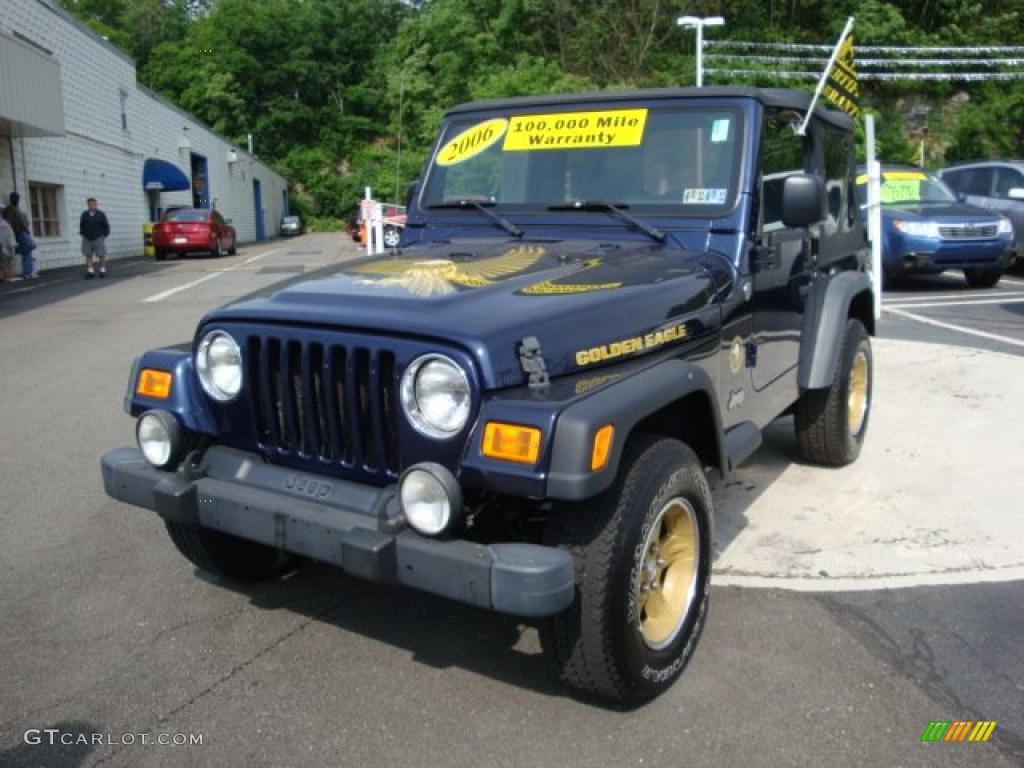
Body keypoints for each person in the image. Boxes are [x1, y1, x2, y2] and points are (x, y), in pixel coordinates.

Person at [2, 192, 37, 279]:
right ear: (11, 199)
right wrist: (14, 234)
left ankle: (28, 272)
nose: (16, 199)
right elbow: (10, 223)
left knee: (27, 252)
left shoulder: (18, 209)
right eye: (14, 198)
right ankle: (27, 272)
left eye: (17, 198)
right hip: (18, 233)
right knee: (31, 246)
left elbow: (24, 221)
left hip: (23, 233)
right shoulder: (9, 209)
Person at [80, 197, 111, 278]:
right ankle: (90, 272)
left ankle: (102, 271)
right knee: (88, 255)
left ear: (96, 204)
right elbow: (82, 225)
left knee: (101, 254)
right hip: (87, 238)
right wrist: (83, 233)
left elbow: (106, 225)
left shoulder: (101, 214)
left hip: (98, 237)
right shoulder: (84, 214)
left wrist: (105, 235)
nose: (92, 205)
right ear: (87, 205)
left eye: (94, 204)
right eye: (90, 204)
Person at [0, 210, 14, 281]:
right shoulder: (5, 224)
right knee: (5, 260)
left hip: (3, 244)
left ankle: (6, 275)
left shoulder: (4, 224)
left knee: (4, 260)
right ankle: (6, 275)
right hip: (4, 244)